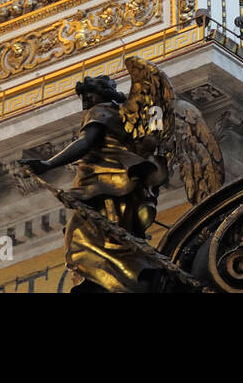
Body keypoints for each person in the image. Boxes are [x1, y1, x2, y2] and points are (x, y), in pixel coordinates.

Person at [21, 75, 167, 292]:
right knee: (111, 237)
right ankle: (124, 273)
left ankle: (117, 279)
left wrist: (48, 164)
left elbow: (85, 143)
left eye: (88, 97)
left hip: (105, 184)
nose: (85, 104)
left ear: (101, 94)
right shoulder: (120, 113)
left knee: (83, 238)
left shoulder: (100, 111)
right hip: (115, 183)